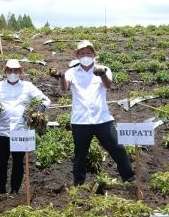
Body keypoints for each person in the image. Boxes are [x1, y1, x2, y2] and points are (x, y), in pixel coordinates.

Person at [50, 40, 135, 186]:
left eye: (88, 53)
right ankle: (79, 184)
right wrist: (61, 77)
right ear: (76, 56)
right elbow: (64, 88)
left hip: (102, 119)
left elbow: (108, 85)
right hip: (80, 121)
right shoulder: (72, 72)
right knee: (80, 155)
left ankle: (129, 179)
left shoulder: (104, 69)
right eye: (81, 53)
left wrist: (101, 74)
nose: (85, 56)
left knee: (118, 148)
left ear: (94, 54)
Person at [0, 59, 51, 196]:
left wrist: (37, 110)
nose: (12, 73)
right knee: (2, 160)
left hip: (21, 130)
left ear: (20, 72)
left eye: (15, 71)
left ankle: (15, 190)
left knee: (18, 161)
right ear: (5, 72)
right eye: (10, 70)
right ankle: (1, 190)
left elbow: (46, 100)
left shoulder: (28, 86)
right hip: (3, 130)